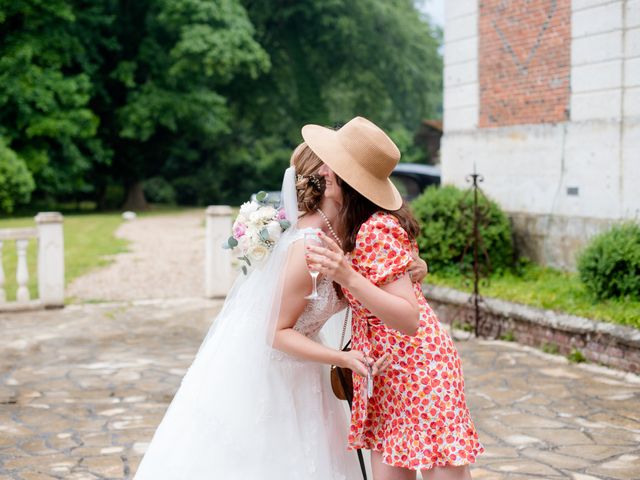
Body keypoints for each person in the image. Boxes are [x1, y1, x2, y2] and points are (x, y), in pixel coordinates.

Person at [133, 139, 428, 479]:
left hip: (307, 365)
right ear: (326, 179)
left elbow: (377, 277)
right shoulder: (308, 246)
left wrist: (417, 268)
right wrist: (343, 358)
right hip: (267, 364)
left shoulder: (352, 233)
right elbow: (275, 332)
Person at [304, 116, 484, 480]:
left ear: (347, 178)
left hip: (421, 371)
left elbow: (408, 317)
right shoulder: (360, 227)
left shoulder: (376, 229)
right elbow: (401, 276)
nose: (321, 169)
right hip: (386, 372)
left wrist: (347, 275)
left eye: (329, 163)